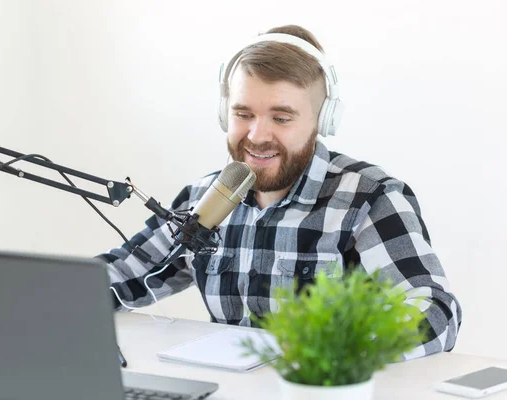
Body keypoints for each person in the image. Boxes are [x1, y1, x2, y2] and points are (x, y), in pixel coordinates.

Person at [98, 24, 461, 359]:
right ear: (225, 114)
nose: (257, 136)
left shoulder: (368, 198)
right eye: (243, 114)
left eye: (281, 118)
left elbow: (433, 309)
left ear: (323, 120)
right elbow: (122, 275)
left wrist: (337, 356)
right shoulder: (202, 198)